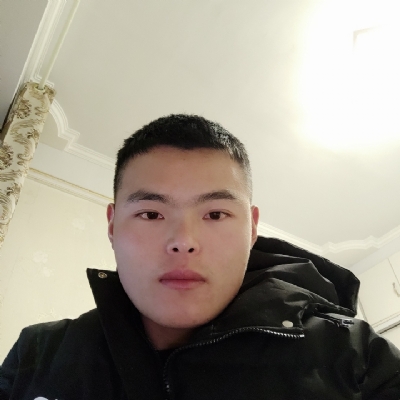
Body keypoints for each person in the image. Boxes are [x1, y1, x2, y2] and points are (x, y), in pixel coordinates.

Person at [1, 114, 400, 399]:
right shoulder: (40, 354)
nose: (183, 242)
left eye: (215, 214)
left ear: (252, 228)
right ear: (112, 225)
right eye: (151, 214)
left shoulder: (355, 356)